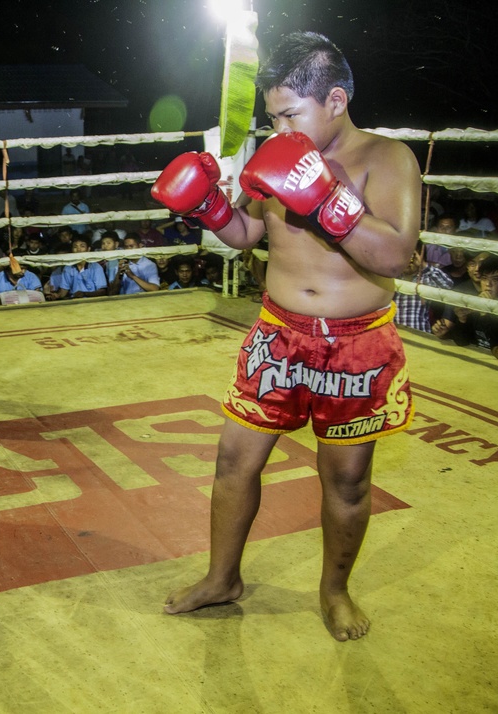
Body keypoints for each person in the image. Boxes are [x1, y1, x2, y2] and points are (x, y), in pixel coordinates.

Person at [152, 32, 421, 641]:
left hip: (357, 344)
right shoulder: (277, 154)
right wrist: (209, 211)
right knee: (231, 461)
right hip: (279, 335)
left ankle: (334, 590)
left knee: (346, 481)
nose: (278, 130)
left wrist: (327, 198)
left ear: (334, 99)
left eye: (288, 114)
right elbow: (248, 233)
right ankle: (223, 577)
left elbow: (397, 255)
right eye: (271, 117)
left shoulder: (387, 158)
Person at [394, 243, 454, 332]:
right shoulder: (392, 276)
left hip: (419, 331)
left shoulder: (426, 278)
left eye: (412, 258)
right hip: (394, 333)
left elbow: (448, 285)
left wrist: (424, 265)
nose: (409, 262)